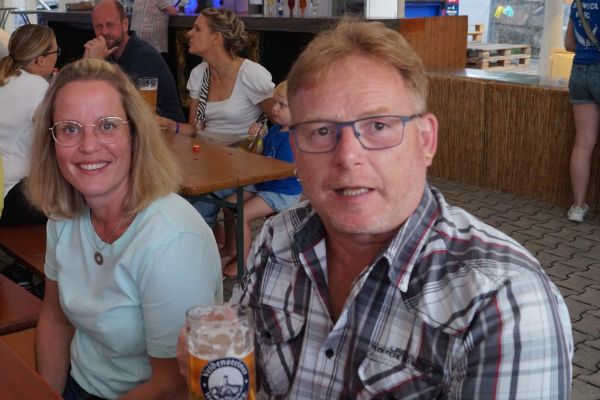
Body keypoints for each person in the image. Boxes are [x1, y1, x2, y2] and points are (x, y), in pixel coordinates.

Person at [177, 19, 573, 398]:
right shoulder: (278, 240)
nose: (348, 157)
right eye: (321, 130)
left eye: (379, 126)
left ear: (426, 141)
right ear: (296, 148)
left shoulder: (504, 302)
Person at [28, 58, 222, 399]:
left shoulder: (173, 239)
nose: (88, 145)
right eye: (70, 129)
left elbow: (172, 383)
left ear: (134, 133)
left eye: (107, 125)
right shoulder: (64, 214)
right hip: (78, 382)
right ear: (52, 141)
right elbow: (56, 318)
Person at [219, 81, 302, 278]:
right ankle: (232, 247)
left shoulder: (294, 138)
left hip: (282, 192)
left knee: (242, 213)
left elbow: (280, 170)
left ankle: (245, 262)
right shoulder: (276, 129)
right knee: (229, 204)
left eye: (282, 105)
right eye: (275, 102)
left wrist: (256, 165)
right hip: (265, 184)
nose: (274, 109)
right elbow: (260, 154)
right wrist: (256, 139)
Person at [84, 0, 185, 123]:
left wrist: (97, 66)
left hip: (166, 130)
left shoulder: (144, 56)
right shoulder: (107, 53)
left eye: (110, 25)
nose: (104, 32)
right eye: (98, 26)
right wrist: (87, 64)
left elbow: (124, 108)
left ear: (125, 25)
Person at [0, 24, 57, 226]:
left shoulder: (6, 76)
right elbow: (57, 136)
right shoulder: (37, 86)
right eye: (56, 52)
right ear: (41, 59)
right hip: (10, 194)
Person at [565, 0, 600, 222]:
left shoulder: (577, 3)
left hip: (579, 71)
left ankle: (578, 207)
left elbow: (569, 44)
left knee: (583, 144)